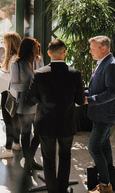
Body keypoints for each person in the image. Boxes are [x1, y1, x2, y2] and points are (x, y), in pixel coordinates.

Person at [26, 39, 85, 193]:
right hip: (67, 122)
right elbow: (79, 100)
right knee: (65, 156)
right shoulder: (75, 74)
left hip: (46, 123)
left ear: (48, 53)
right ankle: (62, 189)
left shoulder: (39, 74)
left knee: (48, 160)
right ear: (65, 53)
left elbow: (30, 99)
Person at [85, 36, 115, 193]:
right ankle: (108, 180)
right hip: (102, 114)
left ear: (103, 49)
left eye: (93, 48)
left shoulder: (111, 66)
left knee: (94, 148)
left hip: (105, 115)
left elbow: (112, 92)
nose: (90, 51)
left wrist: (89, 100)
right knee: (104, 147)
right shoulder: (104, 63)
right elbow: (98, 88)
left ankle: (104, 184)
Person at [10, 37, 41, 173]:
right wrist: (31, 86)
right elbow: (14, 85)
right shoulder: (16, 64)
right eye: (35, 47)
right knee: (26, 133)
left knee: (39, 132)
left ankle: (30, 159)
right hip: (24, 102)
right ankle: (28, 162)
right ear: (29, 48)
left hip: (39, 103)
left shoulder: (39, 61)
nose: (37, 49)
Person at [0, 31, 22, 158]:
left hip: (9, 93)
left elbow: (12, 77)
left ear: (10, 43)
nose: (3, 43)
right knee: (13, 120)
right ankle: (15, 143)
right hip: (11, 93)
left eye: (5, 41)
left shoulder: (14, 59)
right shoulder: (15, 57)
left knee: (8, 121)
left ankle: (8, 149)